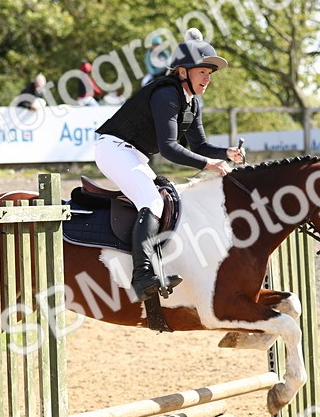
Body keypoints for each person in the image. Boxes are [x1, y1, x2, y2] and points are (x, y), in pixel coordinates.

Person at [94, 30, 244, 300]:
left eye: (210, 73)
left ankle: (157, 263)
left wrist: (226, 152)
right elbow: (169, 148)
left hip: (134, 154)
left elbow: (199, 146)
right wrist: (209, 163)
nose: (208, 79)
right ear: (184, 72)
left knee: (168, 198)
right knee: (152, 202)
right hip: (114, 149)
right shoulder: (166, 94)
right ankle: (141, 277)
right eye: (203, 72)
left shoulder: (192, 102)